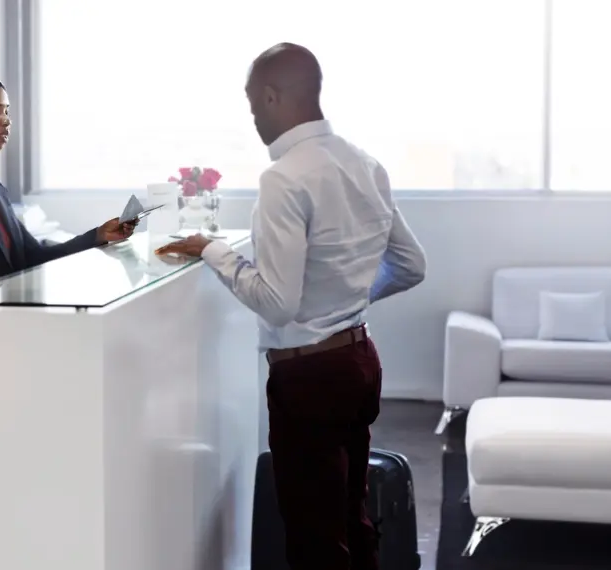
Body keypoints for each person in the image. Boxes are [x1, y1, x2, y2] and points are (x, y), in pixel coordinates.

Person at [156, 43, 426, 570]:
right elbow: (412, 265)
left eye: (254, 104)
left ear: (273, 96)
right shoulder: (365, 164)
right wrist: (344, 299)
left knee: (313, 540)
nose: (253, 117)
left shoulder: (283, 178)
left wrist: (213, 250)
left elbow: (278, 305)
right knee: (352, 519)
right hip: (359, 361)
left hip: (310, 379)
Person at [0, 60, 136, 281]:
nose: (6, 121)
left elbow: (33, 256)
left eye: (6, 112)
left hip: (9, 313)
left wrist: (97, 235)